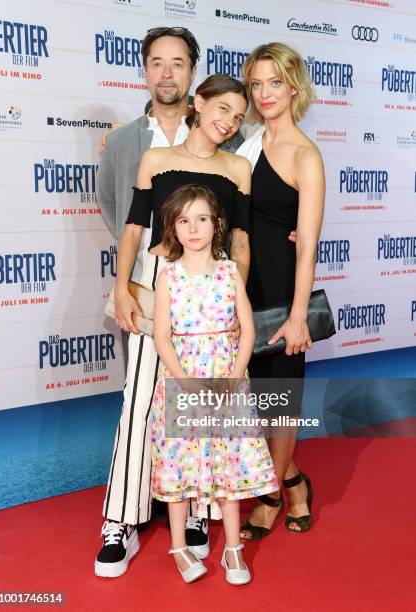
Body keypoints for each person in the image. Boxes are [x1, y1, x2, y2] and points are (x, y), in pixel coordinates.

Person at [95, 71, 252, 578]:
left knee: (206, 411)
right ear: (198, 102)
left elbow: (242, 243)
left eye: (237, 115)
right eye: (222, 108)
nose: (228, 121)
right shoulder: (157, 160)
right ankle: (121, 521)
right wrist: (121, 287)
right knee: (142, 405)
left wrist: (231, 295)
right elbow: (134, 228)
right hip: (159, 285)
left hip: (215, 294)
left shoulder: (237, 168)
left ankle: (202, 514)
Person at [151, 184, 278, 584]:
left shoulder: (227, 272)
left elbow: (249, 329)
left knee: (230, 466)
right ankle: (178, 547)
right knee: (179, 467)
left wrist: (235, 376)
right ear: (173, 228)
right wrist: (185, 382)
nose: (193, 228)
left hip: (226, 381)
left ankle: (233, 551)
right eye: (184, 220)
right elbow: (161, 337)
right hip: (182, 381)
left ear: (216, 224)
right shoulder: (168, 276)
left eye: (201, 219)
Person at [237, 42, 325, 539]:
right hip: (239, 294)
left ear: (294, 86)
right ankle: (292, 482)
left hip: (280, 295)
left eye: (275, 82)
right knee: (246, 406)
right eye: (256, 83)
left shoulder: (305, 155)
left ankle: (270, 498)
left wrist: (297, 317)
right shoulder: (243, 143)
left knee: (280, 402)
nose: (265, 93)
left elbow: (308, 247)